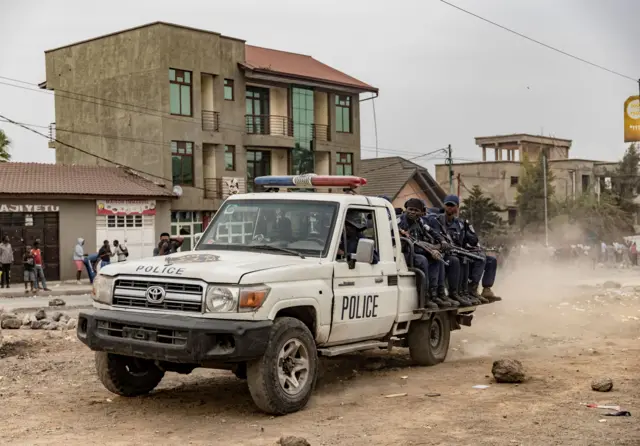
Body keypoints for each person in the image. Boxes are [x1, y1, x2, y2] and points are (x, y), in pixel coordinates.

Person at [398, 198, 456, 309]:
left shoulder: (420, 221)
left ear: (421, 212)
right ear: (406, 209)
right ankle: (424, 297)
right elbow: (408, 244)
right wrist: (430, 250)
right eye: (410, 209)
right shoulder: (400, 223)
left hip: (417, 251)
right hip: (403, 254)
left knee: (437, 258)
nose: (412, 212)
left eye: (416, 210)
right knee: (423, 259)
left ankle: (436, 294)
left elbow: (432, 232)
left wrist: (442, 241)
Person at [425, 205, 471, 307]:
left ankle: (457, 292)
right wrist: (436, 247)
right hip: (424, 253)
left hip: (439, 251)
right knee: (436, 259)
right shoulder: (427, 222)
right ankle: (432, 294)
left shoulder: (426, 224)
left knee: (461, 259)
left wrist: (441, 244)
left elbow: (437, 237)